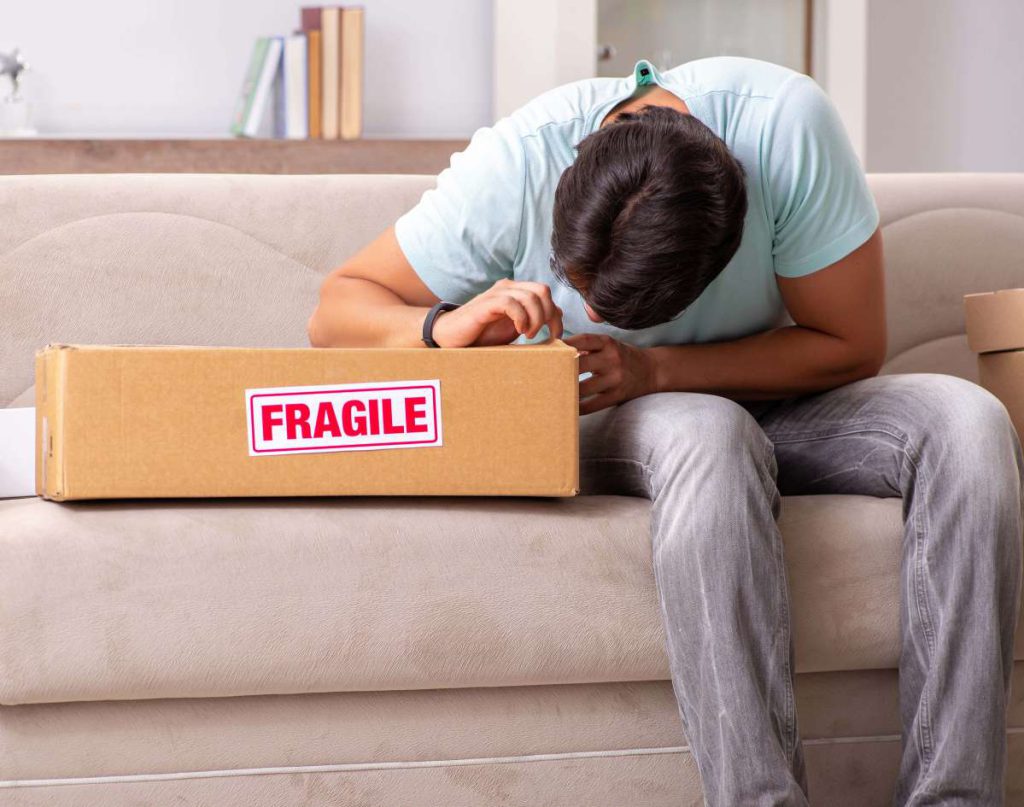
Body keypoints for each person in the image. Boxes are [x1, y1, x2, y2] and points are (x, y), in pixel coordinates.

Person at [307, 56, 1023, 806]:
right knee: (711, 434)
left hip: (760, 393)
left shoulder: (786, 130)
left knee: (969, 422)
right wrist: (445, 326)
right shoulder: (516, 163)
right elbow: (337, 308)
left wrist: (656, 367)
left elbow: (849, 345)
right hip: (613, 413)